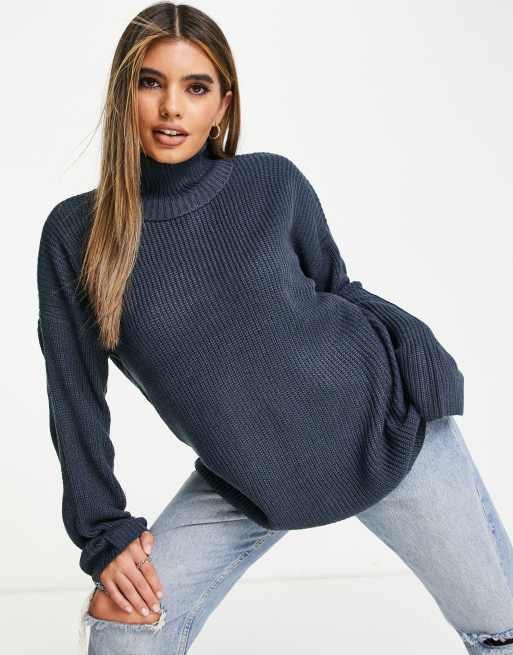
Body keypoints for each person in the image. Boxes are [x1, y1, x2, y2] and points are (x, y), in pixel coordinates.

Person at [36, 3, 513, 654]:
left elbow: (336, 290)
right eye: (151, 82)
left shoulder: (271, 182)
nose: (171, 107)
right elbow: (74, 397)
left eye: (195, 87)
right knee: (124, 631)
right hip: (246, 477)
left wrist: (414, 348)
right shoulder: (77, 236)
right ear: (123, 94)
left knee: (501, 629)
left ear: (222, 104)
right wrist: (103, 531)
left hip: (380, 430)